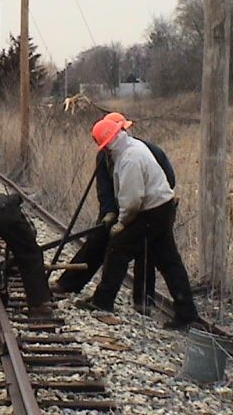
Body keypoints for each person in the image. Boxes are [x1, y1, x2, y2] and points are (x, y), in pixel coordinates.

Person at [76, 119, 198, 330]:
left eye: (104, 146)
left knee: (117, 249)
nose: (105, 151)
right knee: (169, 262)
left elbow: (132, 200)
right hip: (162, 207)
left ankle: (103, 301)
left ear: (110, 142)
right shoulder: (132, 147)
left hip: (150, 211)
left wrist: (121, 223)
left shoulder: (129, 159)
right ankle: (187, 314)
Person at [52, 112, 176, 314]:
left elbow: (168, 180)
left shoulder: (144, 151)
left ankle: (143, 300)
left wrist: (138, 211)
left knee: (145, 251)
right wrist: (109, 212)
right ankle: (69, 284)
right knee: (98, 240)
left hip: (147, 207)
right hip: (121, 207)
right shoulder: (104, 155)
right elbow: (104, 187)